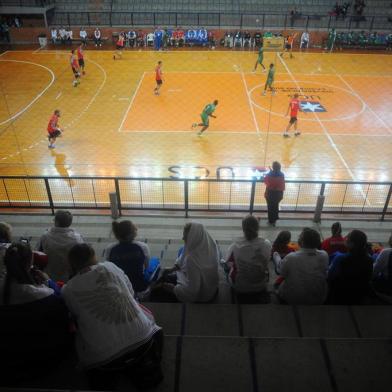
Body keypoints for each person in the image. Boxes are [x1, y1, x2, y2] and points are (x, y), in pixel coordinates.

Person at [62, 243, 163, 390]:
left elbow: (75, 316)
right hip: (144, 341)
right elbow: (131, 292)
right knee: (141, 310)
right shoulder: (110, 267)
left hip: (104, 359)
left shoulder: (68, 289)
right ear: (93, 256)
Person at [0, 242, 72, 382]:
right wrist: (49, 282)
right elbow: (62, 307)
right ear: (30, 262)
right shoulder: (45, 297)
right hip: (39, 363)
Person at [153, 222, 219, 303]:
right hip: (212, 289)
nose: (182, 238)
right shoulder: (211, 244)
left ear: (193, 238)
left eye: (185, 236)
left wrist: (173, 289)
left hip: (202, 296)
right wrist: (174, 268)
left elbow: (192, 293)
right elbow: (185, 251)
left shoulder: (191, 260)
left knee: (159, 290)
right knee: (181, 250)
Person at [103, 220, 160, 300]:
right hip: (139, 286)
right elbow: (146, 266)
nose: (136, 229)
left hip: (119, 285)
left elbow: (109, 267)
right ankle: (147, 289)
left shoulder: (110, 249)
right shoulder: (142, 247)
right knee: (156, 261)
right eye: (134, 228)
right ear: (131, 233)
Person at [273, 228, 329, 304]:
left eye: (300, 236)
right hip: (318, 298)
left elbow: (280, 272)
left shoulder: (291, 257)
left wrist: (276, 256)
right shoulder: (324, 255)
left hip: (292, 298)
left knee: (279, 277)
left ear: (302, 241)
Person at [223, 215, 272, 303]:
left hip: (240, 286)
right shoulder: (267, 244)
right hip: (261, 285)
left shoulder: (235, 246)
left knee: (227, 266)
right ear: (258, 227)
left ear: (243, 228)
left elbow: (227, 262)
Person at [327, 230, 374, 304]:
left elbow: (330, 276)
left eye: (347, 238)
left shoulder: (340, 258)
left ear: (352, 244)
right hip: (359, 296)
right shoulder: (369, 259)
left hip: (340, 295)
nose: (345, 238)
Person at [37, 210, 84, 282]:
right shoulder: (77, 239)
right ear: (70, 223)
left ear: (56, 222)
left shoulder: (45, 236)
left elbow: (38, 254)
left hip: (48, 278)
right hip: (70, 279)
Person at [264, 161, 285, 226]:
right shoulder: (282, 174)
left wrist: (270, 173)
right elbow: (280, 183)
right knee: (275, 206)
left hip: (270, 194)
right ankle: (275, 219)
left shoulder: (269, 174)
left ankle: (271, 221)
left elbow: (266, 182)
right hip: (278, 194)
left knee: (270, 207)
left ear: (273, 167)